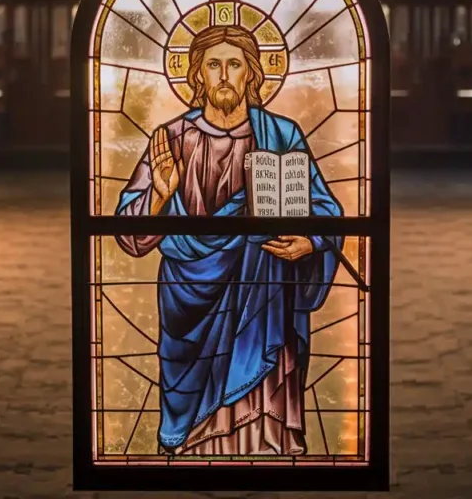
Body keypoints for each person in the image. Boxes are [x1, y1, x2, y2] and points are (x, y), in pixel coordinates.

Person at [115, 24, 342, 456]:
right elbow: (129, 233)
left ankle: (263, 449)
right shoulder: (171, 138)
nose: (223, 76)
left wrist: (309, 242)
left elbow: (325, 210)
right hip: (189, 293)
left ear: (252, 74)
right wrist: (161, 194)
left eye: (234, 65)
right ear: (196, 75)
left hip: (265, 289)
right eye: (213, 65)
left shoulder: (281, 135)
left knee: (264, 385)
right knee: (192, 384)